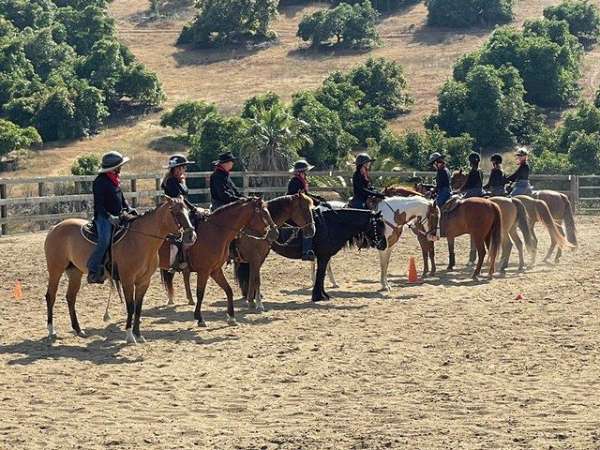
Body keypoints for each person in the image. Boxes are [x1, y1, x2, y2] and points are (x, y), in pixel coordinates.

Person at [87, 151, 136, 284]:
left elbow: (121, 198)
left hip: (119, 214)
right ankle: (93, 269)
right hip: (103, 217)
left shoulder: (114, 179)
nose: (121, 168)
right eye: (119, 166)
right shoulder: (99, 182)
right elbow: (99, 206)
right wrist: (109, 217)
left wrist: (129, 208)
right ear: (114, 167)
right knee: (105, 240)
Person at [162, 154, 197, 271]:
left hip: (181, 208)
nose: (185, 169)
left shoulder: (178, 180)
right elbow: (180, 198)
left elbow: (184, 195)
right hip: (174, 211)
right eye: (183, 167)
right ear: (177, 168)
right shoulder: (171, 181)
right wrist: (193, 208)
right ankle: (178, 259)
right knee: (179, 234)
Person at [287, 159, 316, 261]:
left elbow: (306, 195)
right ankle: (306, 251)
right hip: (294, 208)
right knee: (307, 223)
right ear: (301, 172)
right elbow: (298, 197)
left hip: (300, 207)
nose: (307, 174)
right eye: (305, 172)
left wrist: (317, 199)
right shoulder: (295, 182)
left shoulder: (301, 181)